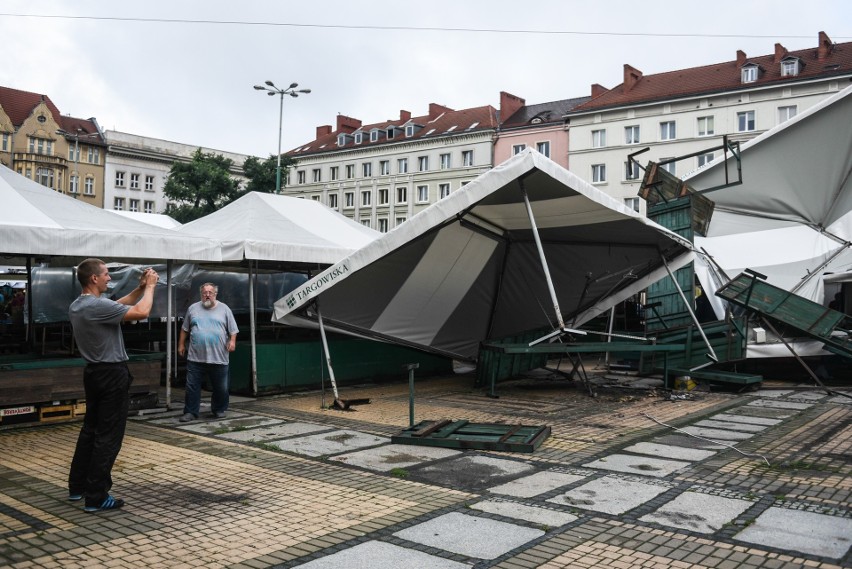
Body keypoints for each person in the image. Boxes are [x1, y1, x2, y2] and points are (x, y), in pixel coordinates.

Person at [68, 259, 159, 513]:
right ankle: (96, 496)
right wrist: (151, 287)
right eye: (106, 274)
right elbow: (141, 313)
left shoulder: (79, 305)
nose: (110, 278)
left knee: (90, 431)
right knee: (108, 436)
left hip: (94, 374)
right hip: (111, 375)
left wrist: (140, 288)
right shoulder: (96, 306)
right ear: (94, 279)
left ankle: (77, 487)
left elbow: (119, 306)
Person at [177, 282, 238, 422]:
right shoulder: (193, 309)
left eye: (210, 292)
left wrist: (232, 341)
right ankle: (190, 412)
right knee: (192, 386)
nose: (207, 295)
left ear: (215, 294)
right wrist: (181, 344)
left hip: (219, 357)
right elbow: (185, 329)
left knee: (221, 387)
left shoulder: (224, 309)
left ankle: (219, 409)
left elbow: (233, 330)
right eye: (205, 293)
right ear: (201, 294)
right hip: (196, 357)